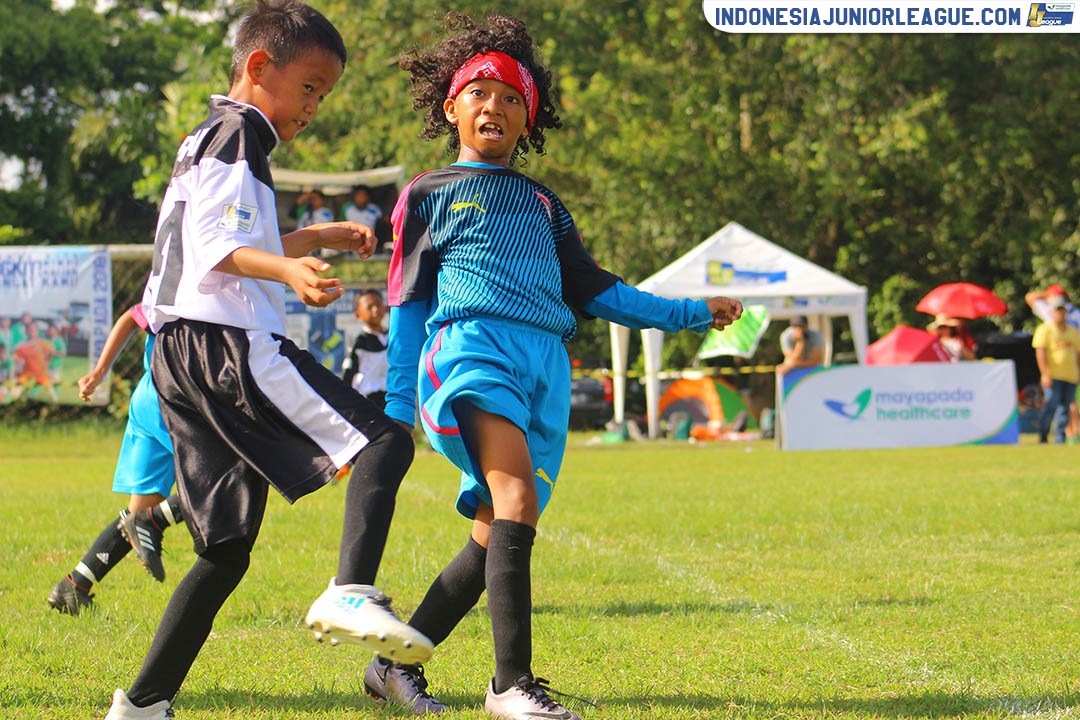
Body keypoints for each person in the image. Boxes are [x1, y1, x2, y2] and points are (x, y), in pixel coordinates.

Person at [369, 13, 743, 718]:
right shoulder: (428, 191)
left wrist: (691, 312)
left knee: (493, 533)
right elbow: (407, 300)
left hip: (545, 368)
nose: (495, 105)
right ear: (451, 107)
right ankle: (510, 687)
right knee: (514, 501)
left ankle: (391, 667)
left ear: (528, 118)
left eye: (513, 97)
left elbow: (602, 293)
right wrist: (396, 407)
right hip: (472, 352)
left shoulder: (545, 204)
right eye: (480, 90)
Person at [104, 3, 431, 718]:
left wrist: (313, 237)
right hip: (226, 344)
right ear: (259, 68)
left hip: (179, 355)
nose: (314, 106)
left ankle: (140, 705)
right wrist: (292, 273)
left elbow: (218, 236)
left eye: (324, 94)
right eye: (310, 86)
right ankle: (350, 589)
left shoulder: (208, 135)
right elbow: (225, 249)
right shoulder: (241, 132)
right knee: (383, 441)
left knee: (225, 550)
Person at [48, 305, 185, 617]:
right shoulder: (200, 279)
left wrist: (99, 371)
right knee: (224, 483)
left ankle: (74, 586)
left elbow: (130, 317)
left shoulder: (169, 275)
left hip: (149, 396)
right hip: (175, 403)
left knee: (139, 511)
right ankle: (153, 521)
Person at [1026, 284, 1080, 442]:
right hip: (1054, 374)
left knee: (1066, 407)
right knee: (1051, 405)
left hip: (1070, 374)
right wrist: (1045, 373)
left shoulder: (1072, 325)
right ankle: (1044, 436)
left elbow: (1077, 352)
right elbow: (1040, 352)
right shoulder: (1046, 325)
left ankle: (1061, 437)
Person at [343, 288, 389, 409]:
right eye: (369, 307)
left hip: (391, 398)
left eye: (379, 305)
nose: (376, 310)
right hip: (367, 402)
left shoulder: (393, 337)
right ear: (358, 314)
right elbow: (348, 375)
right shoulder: (358, 343)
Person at [12, 320, 59, 402]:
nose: (32, 332)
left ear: (37, 332)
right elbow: (15, 356)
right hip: (27, 371)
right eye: (30, 330)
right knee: (18, 387)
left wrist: (47, 361)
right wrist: (17, 365)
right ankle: (13, 400)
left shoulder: (41, 342)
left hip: (40, 371)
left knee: (50, 389)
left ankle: (55, 401)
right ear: (27, 331)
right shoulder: (23, 345)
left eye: (34, 330)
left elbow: (52, 350)